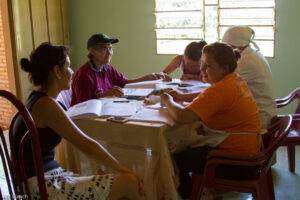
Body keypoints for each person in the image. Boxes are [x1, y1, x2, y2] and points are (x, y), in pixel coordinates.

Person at [13, 42, 146, 200]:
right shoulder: (46, 105)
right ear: (57, 71)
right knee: (129, 182)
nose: (72, 71)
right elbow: (86, 146)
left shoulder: (41, 99)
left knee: (122, 181)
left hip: (45, 177)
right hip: (40, 185)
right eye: (68, 66)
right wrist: (125, 170)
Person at [160, 42, 262, 199]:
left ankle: (191, 195)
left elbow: (182, 117)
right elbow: (207, 97)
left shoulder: (220, 90)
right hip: (251, 153)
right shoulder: (234, 80)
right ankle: (202, 192)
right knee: (187, 147)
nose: (201, 70)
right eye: (202, 64)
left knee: (173, 157)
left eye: (207, 66)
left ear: (224, 68)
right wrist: (182, 97)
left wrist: (167, 100)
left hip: (236, 162)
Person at [71, 33, 163, 106]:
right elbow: (82, 107)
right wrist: (105, 95)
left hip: (108, 109)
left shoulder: (107, 68)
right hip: (86, 120)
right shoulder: (84, 75)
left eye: (110, 48)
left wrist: (146, 78)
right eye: (104, 49)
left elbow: (124, 82)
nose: (109, 53)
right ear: (92, 51)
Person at [222, 25, 277, 128]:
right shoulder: (251, 54)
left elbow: (225, 83)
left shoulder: (248, 61)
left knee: (215, 124)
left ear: (235, 45)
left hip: (261, 117)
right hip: (260, 111)